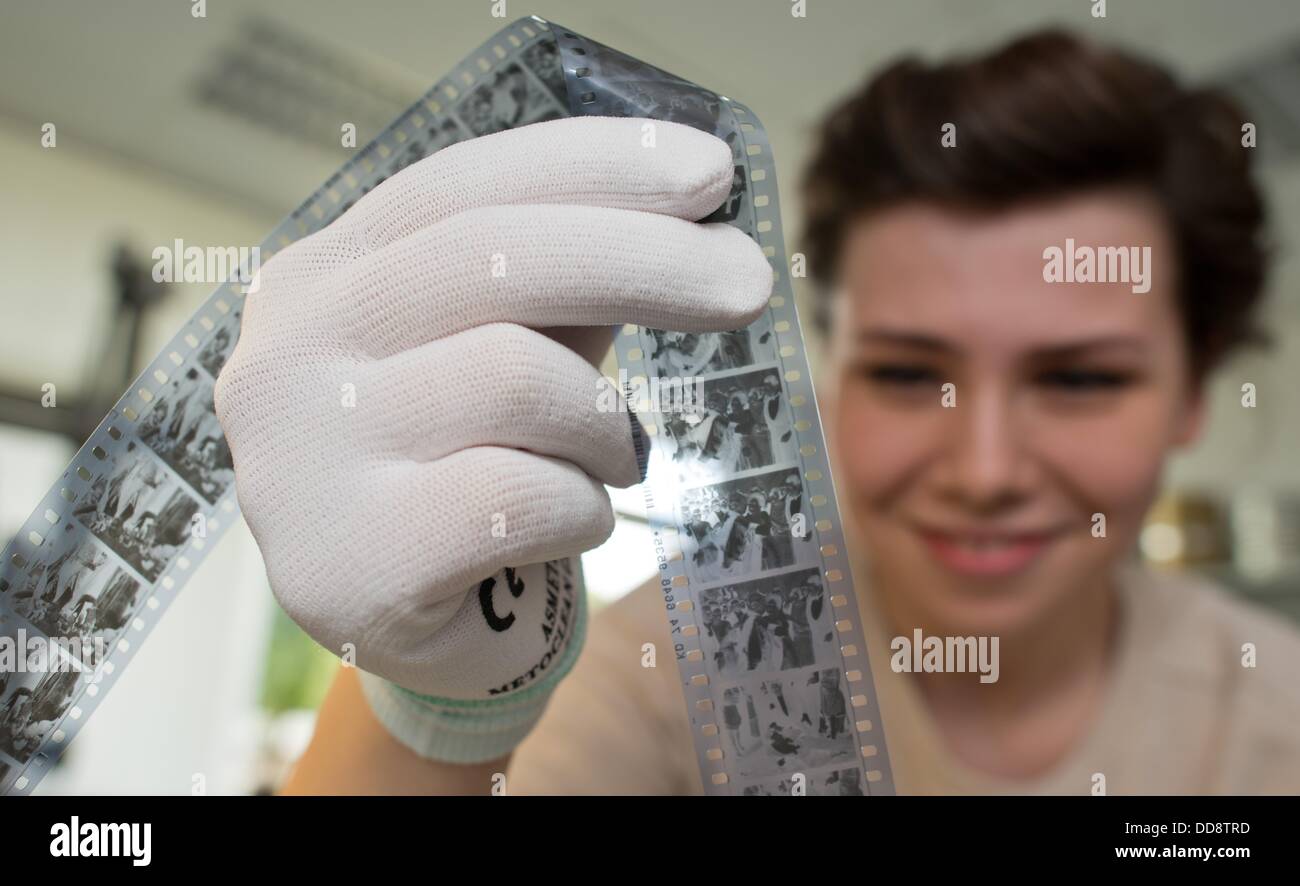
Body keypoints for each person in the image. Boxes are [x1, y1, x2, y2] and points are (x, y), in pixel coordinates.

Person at [215, 29, 1300, 795]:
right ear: (831, 368)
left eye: (1079, 380)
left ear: (1193, 394)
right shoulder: (661, 676)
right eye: (909, 374)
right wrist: (437, 704)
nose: (983, 467)